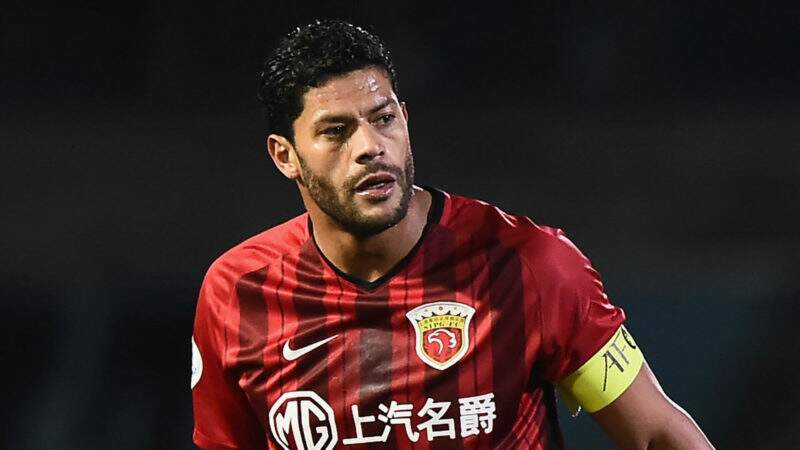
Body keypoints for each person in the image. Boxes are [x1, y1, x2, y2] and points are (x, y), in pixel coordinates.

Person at [191, 19, 714, 450]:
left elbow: (658, 435)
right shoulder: (237, 293)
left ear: (405, 119)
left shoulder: (530, 265)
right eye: (336, 131)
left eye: (383, 118)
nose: (370, 146)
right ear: (285, 155)